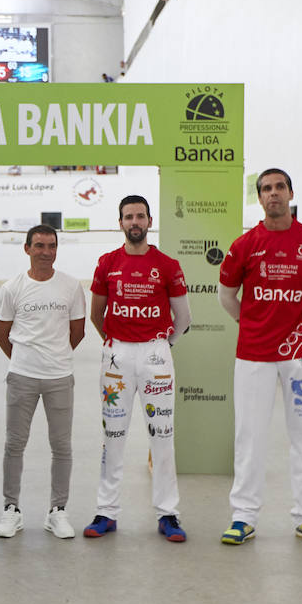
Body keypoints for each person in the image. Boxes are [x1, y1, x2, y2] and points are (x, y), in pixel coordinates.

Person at [217, 168, 302, 546]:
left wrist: (297, 327)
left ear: (290, 192)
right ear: (260, 197)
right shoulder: (245, 244)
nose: (273, 194)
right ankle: (244, 516)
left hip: (300, 355)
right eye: (266, 189)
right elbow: (226, 294)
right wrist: (249, 322)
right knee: (249, 436)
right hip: (253, 354)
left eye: (279, 187)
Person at [86, 196, 192, 542]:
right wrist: (118, 344)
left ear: (149, 221)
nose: (135, 221)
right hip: (117, 357)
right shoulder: (107, 263)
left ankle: (168, 514)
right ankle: (107, 512)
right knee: (112, 437)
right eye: (128, 216)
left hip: (156, 356)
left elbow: (184, 318)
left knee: (163, 436)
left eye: (140, 216)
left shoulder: (167, 264)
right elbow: (96, 314)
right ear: (120, 222)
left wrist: (161, 347)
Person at [0, 225, 86, 540]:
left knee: (61, 446)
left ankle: (57, 511)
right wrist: (24, 360)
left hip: (60, 377)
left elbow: (78, 332)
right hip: (22, 377)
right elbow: (0, 334)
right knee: (14, 444)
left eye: (51, 245)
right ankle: (11, 509)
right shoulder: (12, 288)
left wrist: (54, 357)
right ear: (27, 248)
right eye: (39, 245)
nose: (46, 251)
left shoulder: (71, 287)